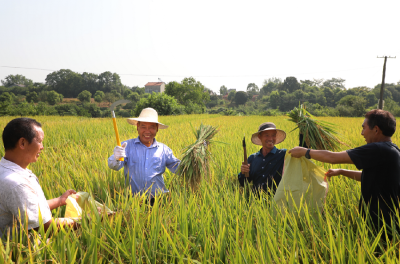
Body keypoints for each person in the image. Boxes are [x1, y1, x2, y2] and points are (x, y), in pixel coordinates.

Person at [289, 109, 400, 232]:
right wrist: (342, 171)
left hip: (381, 222)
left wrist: (305, 151)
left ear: (376, 129)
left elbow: (333, 157)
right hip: (386, 218)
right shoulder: (393, 150)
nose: (362, 133)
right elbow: (372, 177)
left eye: (364, 128)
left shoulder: (378, 148)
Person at [0, 118, 77, 238]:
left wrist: (59, 200)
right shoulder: (16, 183)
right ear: (23, 143)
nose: (42, 147)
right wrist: (89, 219)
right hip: (21, 253)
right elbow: (46, 227)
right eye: (40, 141)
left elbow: (27, 208)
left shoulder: (6, 170)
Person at [108, 108, 180, 205]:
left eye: (151, 127)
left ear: (157, 129)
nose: (147, 131)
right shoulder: (126, 146)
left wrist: (195, 157)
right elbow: (114, 166)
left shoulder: (164, 150)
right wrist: (116, 158)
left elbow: (179, 168)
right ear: (137, 127)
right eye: (143, 126)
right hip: (133, 201)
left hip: (158, 200)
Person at [239, 122, 287, 195]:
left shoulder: (283, 155)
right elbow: (244, 183)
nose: (270, 139)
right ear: (259, 136)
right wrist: (243, 172)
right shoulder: (252, 158)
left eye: (273, 135)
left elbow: (301, 152)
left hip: (276, 202)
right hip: (255, 202)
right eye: (266, 135)